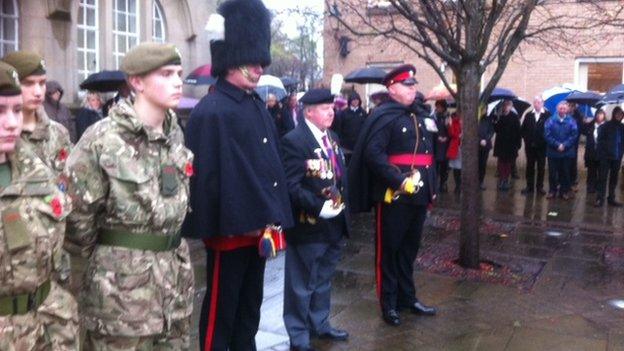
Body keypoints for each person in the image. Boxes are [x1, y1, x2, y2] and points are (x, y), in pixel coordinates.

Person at [64, 43, 195, 349]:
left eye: (178, 73)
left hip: (174, 289)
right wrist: (114, 261)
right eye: (166, 74)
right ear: (136, 82)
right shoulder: (103, 139)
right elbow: (76, 221)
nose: (178, 81)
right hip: (121, 300)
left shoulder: (174, 135)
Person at [183, 1, 293, 350]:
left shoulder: (255, 104)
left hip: (259, 229)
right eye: (254, 62)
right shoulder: (211, 111)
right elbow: (207, 179)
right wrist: (227, 221)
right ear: (232, 60)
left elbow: (268, 166)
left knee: (250, 308)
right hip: (229, 229)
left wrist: (273, 213)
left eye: (262, 62)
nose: (260, 69)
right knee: (221, 312)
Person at [348, 64, 437, 327]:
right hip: (394, 195)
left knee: (409, 250)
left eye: (414, 85)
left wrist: (431, 187)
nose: (413, 89)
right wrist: (399, 180)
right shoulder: (384, 115)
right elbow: (373, 154)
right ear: (392, 89)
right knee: (389, 250)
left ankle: (407, 298)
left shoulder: (418, 115)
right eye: (408, 86)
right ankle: (388, 303)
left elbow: (429, 158)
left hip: (418, 195)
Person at [0, 61, 78, 351]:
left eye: (16, 110)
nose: (11, 122)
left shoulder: (37, 170)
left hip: (49, 328)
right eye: (0, 111)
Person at [281, 89, 350, 351]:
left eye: (331, 107)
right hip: (309, 224)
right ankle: (298, 335)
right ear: (308, 111)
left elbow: (338, 176)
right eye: (324, 108)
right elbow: (291, 185)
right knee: (301, 284)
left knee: (323, 279)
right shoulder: (294, 140)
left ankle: (320, 324)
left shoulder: (331, 137)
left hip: (333, 223)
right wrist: (318, 207)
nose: (331, 111)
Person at [2, 51, 72, 176]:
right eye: (28, 83)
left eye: (42, 83)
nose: (38, 92)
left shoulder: (58, 132)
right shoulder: (5, 135)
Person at [544, 101, 578, 200]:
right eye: (560, 108)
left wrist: (565, 145)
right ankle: (552, 191)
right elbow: (547, 134)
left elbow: (574, 135)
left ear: (567, 109)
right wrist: (557, 145)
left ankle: (564, 191)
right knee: (552, 173)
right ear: (557, 109)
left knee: (565, 173)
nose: (562, 110)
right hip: (553, 152)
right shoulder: (550, 120)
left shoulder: (572, 121)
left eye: (564, 108)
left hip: (566, 153)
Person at [520, 96, 551, 195]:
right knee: (530, 167)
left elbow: (550, 130)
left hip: (542, 147)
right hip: (530, 147)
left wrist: (545, 140)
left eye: (538, 102)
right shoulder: (529, 115)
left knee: (541, 167)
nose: (536, 104)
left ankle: (539, 187)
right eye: (535, 102)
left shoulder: (547, 115)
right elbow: (523, 130)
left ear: (542, 103)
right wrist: (526, 139)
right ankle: (529, 187)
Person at [595, 106, 624, 207]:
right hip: (605, 157)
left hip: (617, 157)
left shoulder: (622, 127)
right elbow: (600, 141)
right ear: (613, 114)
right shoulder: (606, 126)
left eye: (621, 115)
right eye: (617, 114)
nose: (619, 116)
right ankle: (600, 198)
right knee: (602, 178)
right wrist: (603, 153)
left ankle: (611, 198)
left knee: (614, 178)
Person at [493, 100, 521, 191]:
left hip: (511, 144)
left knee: (508, 162)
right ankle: (501, 179)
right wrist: (495, 121)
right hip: (501, 143)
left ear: (511, 106)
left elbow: (518, 131)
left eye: (508, 105)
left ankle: (506, 180)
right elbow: (496, 130)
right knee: (501, 162)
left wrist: (518, 144)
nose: (506, 107)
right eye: (504, 105)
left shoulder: (515, 117)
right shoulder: (500, 116)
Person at [332, 91, 367, 163]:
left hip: (359, 144)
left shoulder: (363, 113)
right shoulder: (344, 113)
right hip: (346, 145)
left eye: (357, 100)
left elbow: (366, 127)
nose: (355, 102)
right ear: (350, 101)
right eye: (353, 100)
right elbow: (339, 127)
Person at [583, 109, 606, 194]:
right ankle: (590, 187)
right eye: (598, 114)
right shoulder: (590, 125)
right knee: (591, 172)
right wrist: (584, 121)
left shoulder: (606, 126)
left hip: (602, 154)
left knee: (601, 172)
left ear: (604, 115)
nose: (599, 116)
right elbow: (583, 130)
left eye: (601, 114)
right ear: (595, 115)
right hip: (591, 153)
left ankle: (599, 188)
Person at [433, 100, 450, 192]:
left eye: (440, 107)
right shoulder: (433, 117)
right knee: (435, 166)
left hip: (445, 146)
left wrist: (446, 138)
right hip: (436, 145)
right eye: (437, 106)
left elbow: (451, 132)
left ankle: (443, 184)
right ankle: (434, 184)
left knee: (444, 166)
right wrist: (437, 137)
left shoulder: (447, 117)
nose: (438, 108)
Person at [568, 102, 585, 190]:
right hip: (565, 143)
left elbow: (582, 129)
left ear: (575, 107)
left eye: (573, 106)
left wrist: (584, 122)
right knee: (563, 163)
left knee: (573, 163)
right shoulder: (564, 114)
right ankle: (562, 182)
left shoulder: (578, 116)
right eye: (570, 105)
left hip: (574, 143)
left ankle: (573, 182)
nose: (571, 107)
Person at [446, 111, 462, 194]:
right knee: (456, 168)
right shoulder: (454, 123)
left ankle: (459, 185)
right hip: (457, 147)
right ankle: (458, 185)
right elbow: (452, 134)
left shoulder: (463, 124)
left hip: (462, 148)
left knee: (460, 168)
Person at [478, 112, 494, 190]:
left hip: (485, 145)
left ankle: (481, 181)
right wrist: (479, 140)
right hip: (476, 145)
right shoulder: (475, 118)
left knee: (483, 164)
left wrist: (486, 139)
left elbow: (491, 131)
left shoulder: (488, 118)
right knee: (475, 164)